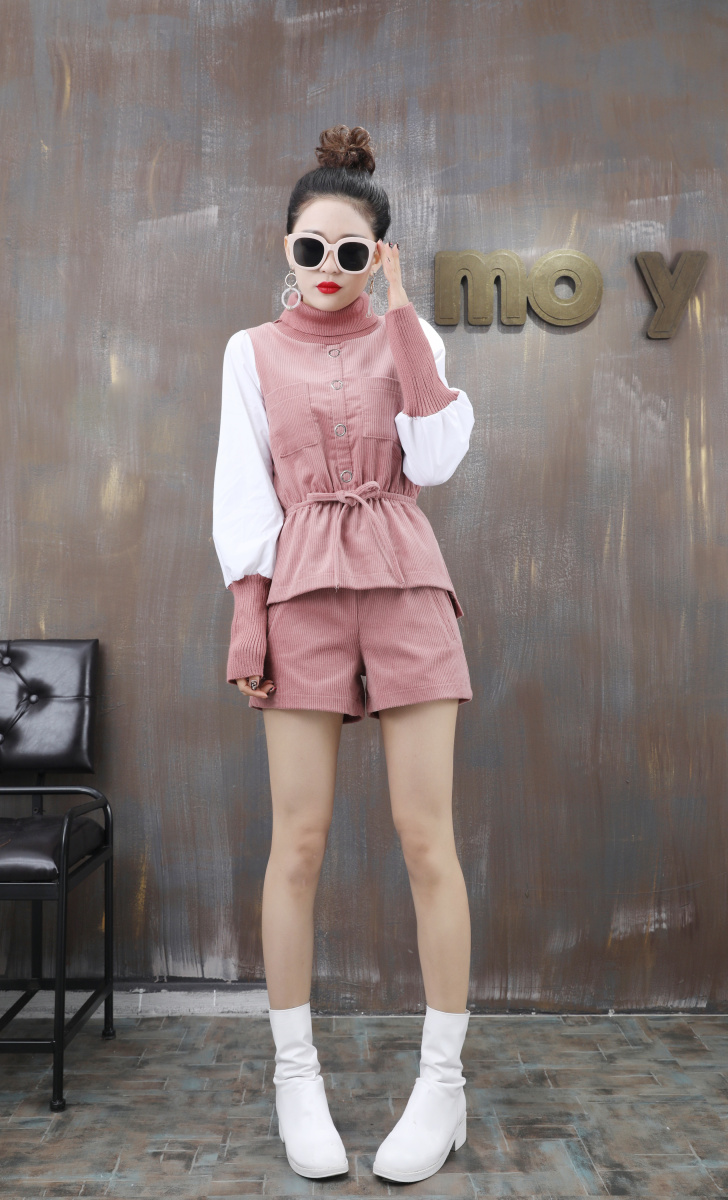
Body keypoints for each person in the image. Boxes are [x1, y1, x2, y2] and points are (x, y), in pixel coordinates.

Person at [212, 124, 475, 1185]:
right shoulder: (248, 351)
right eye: (310, 248)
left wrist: (403, 315)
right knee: (299, 842)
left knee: (426, 837)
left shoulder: (412, 338)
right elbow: (241, 492)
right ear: (286, 247)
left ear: (380, 256)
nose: (329, 267)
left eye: (352, 252)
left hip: (406, 582)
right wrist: (249, 616)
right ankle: (295, 1077)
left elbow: (438, 457)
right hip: (303, 591)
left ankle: (443, 1085)